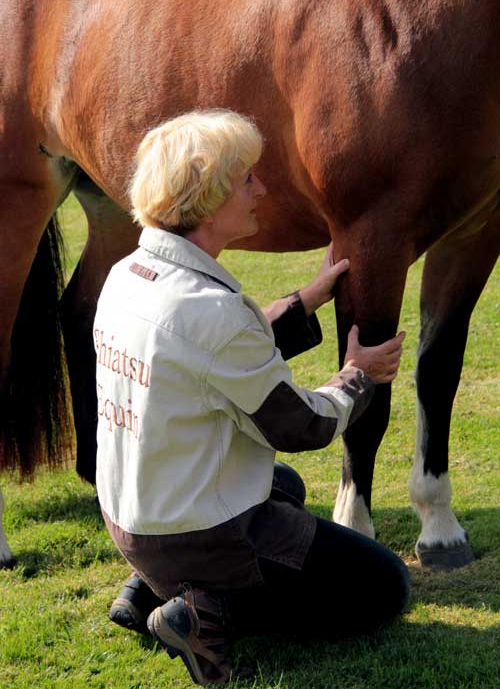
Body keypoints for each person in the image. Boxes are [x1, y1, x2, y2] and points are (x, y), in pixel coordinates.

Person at [94, 109, 409, 685]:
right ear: (209, 197)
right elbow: (300, 427)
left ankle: (149, 588)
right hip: (197, 535)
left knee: (281, 486)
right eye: (246, 179)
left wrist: (305, 300)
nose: (261, 190)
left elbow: (204, 352)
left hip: (134, 519)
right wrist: (356, 376)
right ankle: (202, 612)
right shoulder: (210, 312)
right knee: (384, 587)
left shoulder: (128, 275)